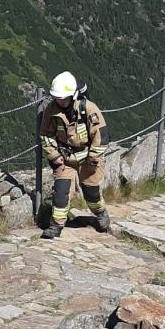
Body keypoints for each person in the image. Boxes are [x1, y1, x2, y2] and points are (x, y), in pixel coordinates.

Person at [39, 71, 110, 239]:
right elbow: (46, 134)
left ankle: (101, 213)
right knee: (61, 193)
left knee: (91, 192)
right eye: (57, 98)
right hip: (66, 159)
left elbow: (100, 136)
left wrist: (93, 158)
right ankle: (56, 226)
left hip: (88, 158)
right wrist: (54, 155)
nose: (60, 101)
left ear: (73, 95)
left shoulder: (88, 108)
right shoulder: (51, 111)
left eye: (63, 98)